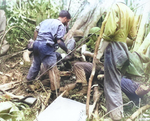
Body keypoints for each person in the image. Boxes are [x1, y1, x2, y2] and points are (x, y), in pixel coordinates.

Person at [95, 0, 139, 120]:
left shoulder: (115, 8)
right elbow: (132, 36)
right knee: (115, 82)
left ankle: (116, 116)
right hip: (123, 49)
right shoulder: (131, 12)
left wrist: (99, 54)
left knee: (111, 84)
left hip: (113, 48)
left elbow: (109, 33)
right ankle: (115, 113)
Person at [26, 10, 71, 95]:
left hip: (36, 44)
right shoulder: (60, 25)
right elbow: (59, 41)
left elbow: (36, 31)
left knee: (35, 64)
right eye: (67, 21)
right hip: (46, 46)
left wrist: (37, 41)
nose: (67, 23)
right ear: (65, 18)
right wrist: (67, 50)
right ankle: (55, 91)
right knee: (52, 68)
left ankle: (28, 82)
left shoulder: (46, 21)